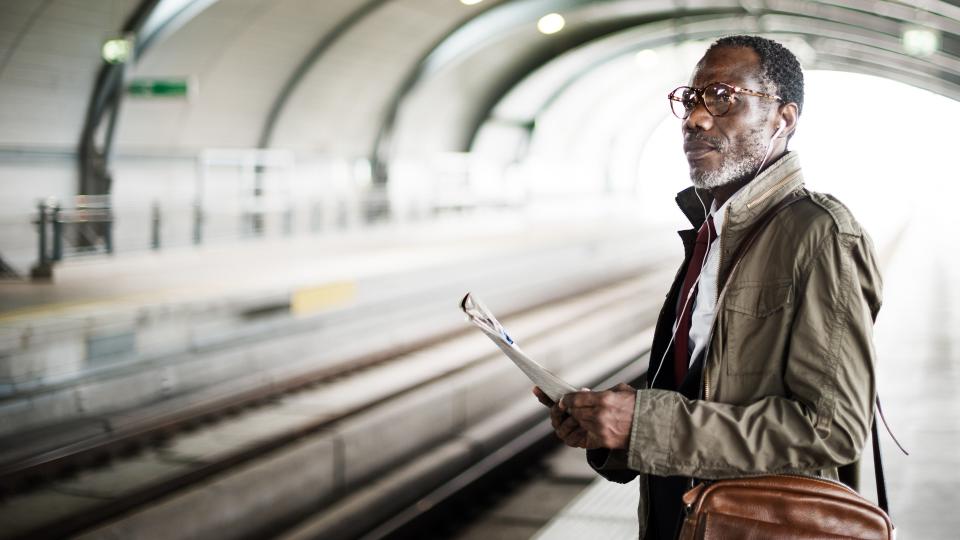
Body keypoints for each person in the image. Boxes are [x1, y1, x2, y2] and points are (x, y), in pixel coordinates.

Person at [533, 35, 882, 539]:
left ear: (783, 119)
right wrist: (611, 430)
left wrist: (645, 424)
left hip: (755, 527)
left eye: (724, 98)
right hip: (684, 521)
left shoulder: (820, 234)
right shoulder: (712, 232)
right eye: (691, 100)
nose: (695, 119)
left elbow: (832, 430)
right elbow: (693, 391)